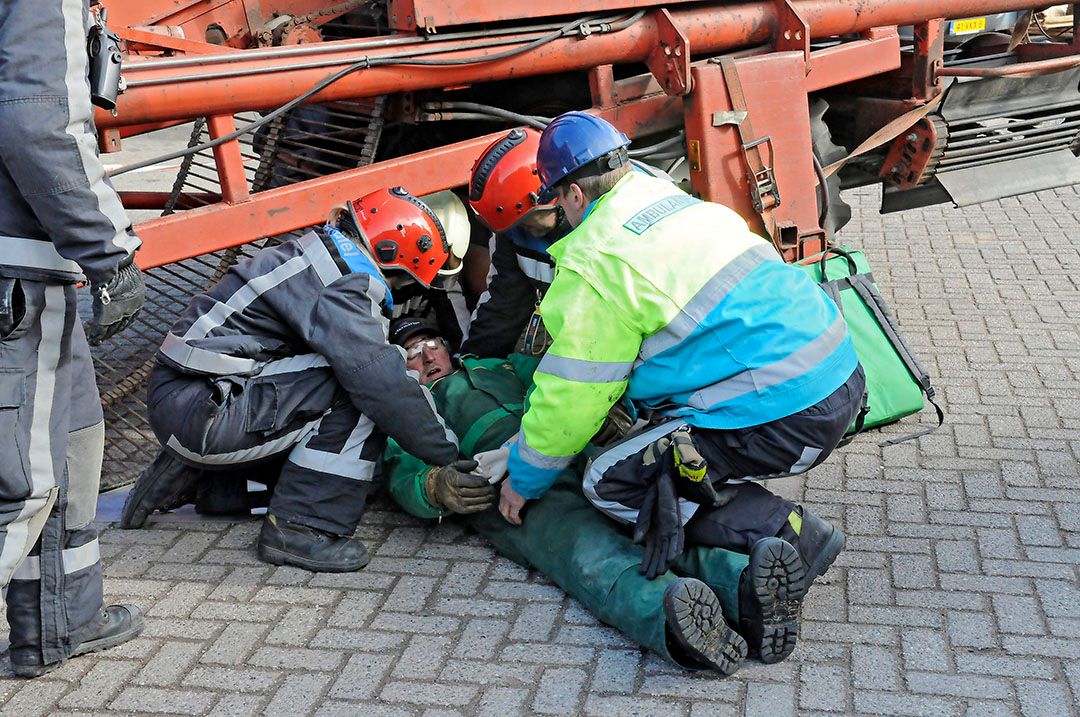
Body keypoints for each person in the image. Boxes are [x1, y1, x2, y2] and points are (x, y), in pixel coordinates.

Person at [500, 112, 865, 589]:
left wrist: (523, 479)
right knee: (663, 451)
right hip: (843, 377)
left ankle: (789, 533)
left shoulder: (596, 263)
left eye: (558, 200)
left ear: (573, 194)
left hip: (788, 416)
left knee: (611, 481)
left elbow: (574, 400)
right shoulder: (675, 202)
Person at [383, 319, 808, 672]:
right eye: (409, 356)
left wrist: (609, 411)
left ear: (447, 346)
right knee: (590, 549)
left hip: (576, 452)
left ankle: (746, 587)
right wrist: (435, 486)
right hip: (511, 492)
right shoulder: (411, 406)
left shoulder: (500, 365)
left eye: (429, 345)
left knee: (655, 519)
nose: (424, 357)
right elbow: (401, 469)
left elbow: (563, 382)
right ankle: (671, 619)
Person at [120, 188, 476, 573]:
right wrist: (449, 456)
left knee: (358, 469)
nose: (401, 290)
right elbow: (383, 387)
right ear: (399, 254)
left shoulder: (318, 257)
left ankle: (204, 482)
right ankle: (302, 529)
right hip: (205, 408)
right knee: (358, 390)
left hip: (191, 400)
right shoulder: (345, 284)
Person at [0, 0, 148, 677]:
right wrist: (110, 251)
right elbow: (39, 120)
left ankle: (63, 621)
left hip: (25, 271)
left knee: (72, 437)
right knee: (21, 485)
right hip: (14, 273)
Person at [461, 128, 568, 357]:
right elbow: (503, 307)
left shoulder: (603, 223)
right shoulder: (513, 230)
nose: (521, 230)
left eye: (525, 220)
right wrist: (470, 360)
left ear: (548, 194)